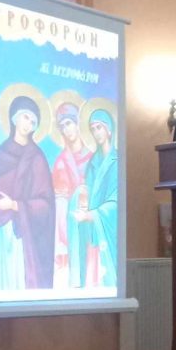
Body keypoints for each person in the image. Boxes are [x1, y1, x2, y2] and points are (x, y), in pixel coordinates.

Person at [0, 95, 55, 290]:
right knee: (0, 281)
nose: (28, 124)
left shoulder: (37, 158)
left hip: (21, 236)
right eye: (26, 117)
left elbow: (45, 204)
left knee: (17, 281)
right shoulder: (3, 152)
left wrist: (15, 205)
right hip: (0, 233)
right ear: (15, 118)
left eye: (33, 122)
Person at [70, 108, 118, 288]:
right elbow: (88, 191)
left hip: (104, 228)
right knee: (90, 276)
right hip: (91, 231)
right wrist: (81, 195)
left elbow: (116, 201)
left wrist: (92, 215)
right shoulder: (92, 162)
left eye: (99, 127)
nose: (96, 132)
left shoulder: (117, 161)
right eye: (93, 129)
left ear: (109, 130)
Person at [51, 100, 93, 288]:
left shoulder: (93, 158)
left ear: (77, 124)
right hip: (71, 226)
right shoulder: (61, 162)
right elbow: (60, 202)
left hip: (90, 223)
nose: (66, 130)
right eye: (62, 126)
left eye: (69, 123)